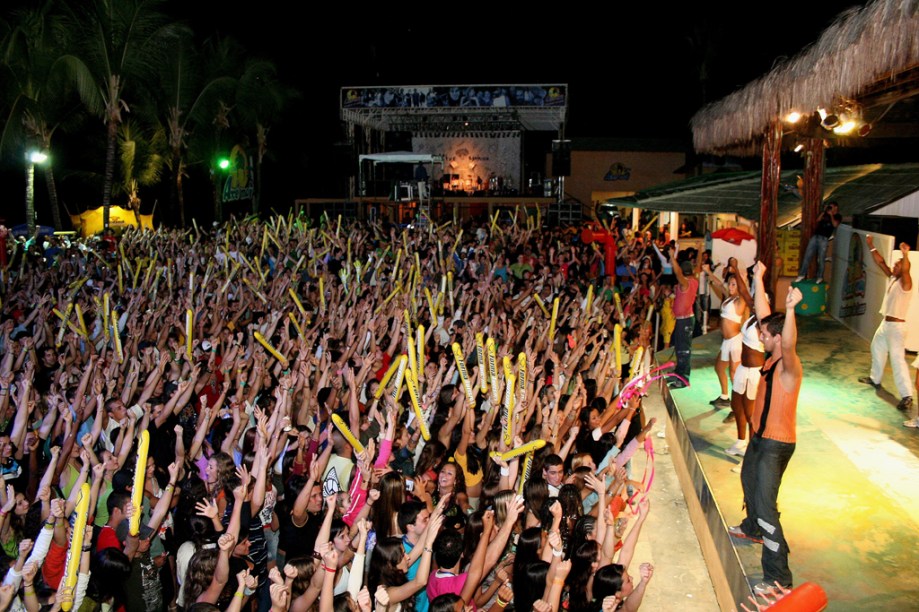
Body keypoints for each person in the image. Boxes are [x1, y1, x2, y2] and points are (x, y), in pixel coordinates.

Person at [729, 262, 803, 594]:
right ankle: (752, 527)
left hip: (776, 444)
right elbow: (763, 315)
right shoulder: (770, 355)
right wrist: (759, 278)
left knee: (767, 507)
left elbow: (787, 342)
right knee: (748, 482)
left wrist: (789, 311)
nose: (760, 335)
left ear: (776, 338)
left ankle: (778, 577)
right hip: (760, 439)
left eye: (765, 335)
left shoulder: (788, 365)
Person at [858, 237, 913, 412]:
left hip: (896, 328)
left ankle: (907, 395)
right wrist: (871, 246)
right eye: (895, 265)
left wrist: (905, 255)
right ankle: (875, 378)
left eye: (897, 265)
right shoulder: (892, 279)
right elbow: (880, 262)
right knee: (877, 348)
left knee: (897, 360)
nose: (895, 267)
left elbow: (905, 269)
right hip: (885, 325)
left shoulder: (906, 283)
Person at [705, 265, 747, 411]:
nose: (730, 286)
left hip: (735, 341)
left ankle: (738, 406)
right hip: (727, 341)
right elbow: (718, 283)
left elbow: (743, 289)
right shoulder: (730, 298)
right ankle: (724, 397)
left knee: (734, 373)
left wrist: (743, 277)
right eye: (730, 283)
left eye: (734, 284)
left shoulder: (740, 300)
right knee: (719, 368)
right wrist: (708, 272)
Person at [668, 249, 699, 388]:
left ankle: (684, 379)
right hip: (684, 320)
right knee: (680, 347)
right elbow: (698, 266)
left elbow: (677, 273)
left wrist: (671, 257)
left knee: (683, 350)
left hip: (684, 320)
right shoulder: (694, 280)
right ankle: (678, 372)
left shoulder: (685, 283)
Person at [795, 201, 842, 284]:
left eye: (831, 207)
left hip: (824, 239)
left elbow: (835, 225)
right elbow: (818, 220)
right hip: (815, 236)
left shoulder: (838, 216)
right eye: (829, 207)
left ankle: (819, 276)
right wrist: (824, 211)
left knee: (821, 258)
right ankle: (801, 275)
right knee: (807, 256)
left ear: (836, 208)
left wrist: (831, 215)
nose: (830, 209)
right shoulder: (825, 214)